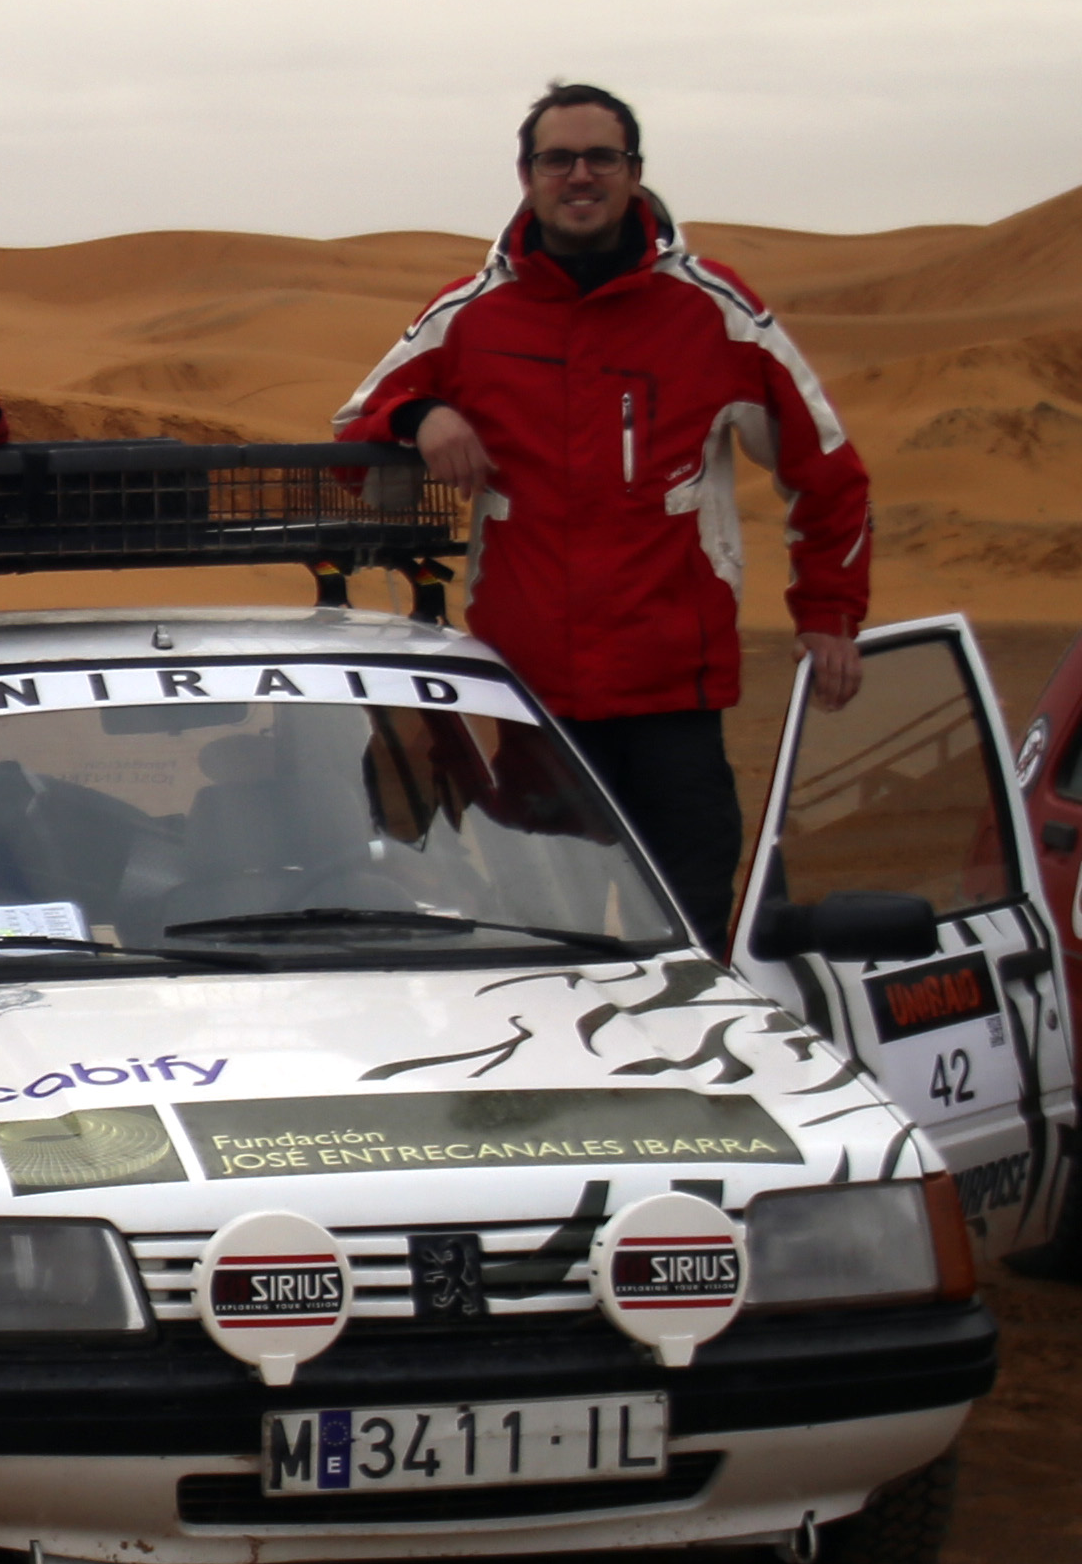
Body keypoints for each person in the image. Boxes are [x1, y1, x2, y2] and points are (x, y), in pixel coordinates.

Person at [331, 82, 873, 937]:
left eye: (600, 158)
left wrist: (831, 614)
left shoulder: (712, 310)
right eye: (558, 159)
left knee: (692, 941)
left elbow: (829, 468)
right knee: (550, 947)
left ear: (634, 172)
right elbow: (348, 437)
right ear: (526, 175)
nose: (578, 176)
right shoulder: (472, 315)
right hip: (536, 703)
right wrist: (418, 416)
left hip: (673, 701)